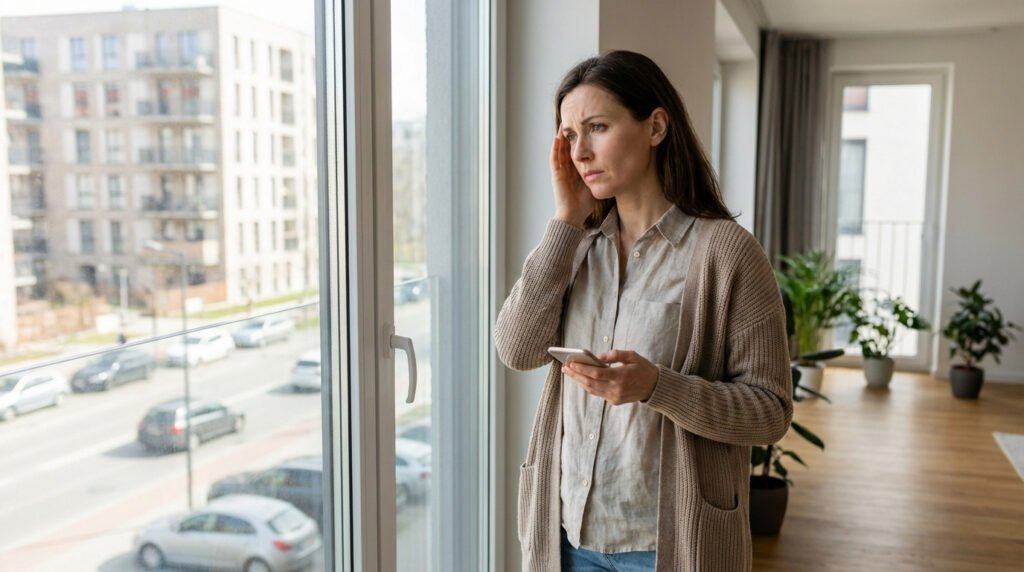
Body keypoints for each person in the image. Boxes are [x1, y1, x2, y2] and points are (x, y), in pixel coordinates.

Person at [494, 51, 793, 572]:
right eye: (568, 135)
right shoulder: (577, 245)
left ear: (655, 127)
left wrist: (658, 386)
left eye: (597, 127)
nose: (580, 151)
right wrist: (566, 218)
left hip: (666, 545)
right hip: (566, 536)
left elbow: (770, 411)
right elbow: (516, 350)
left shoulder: (725, 252)